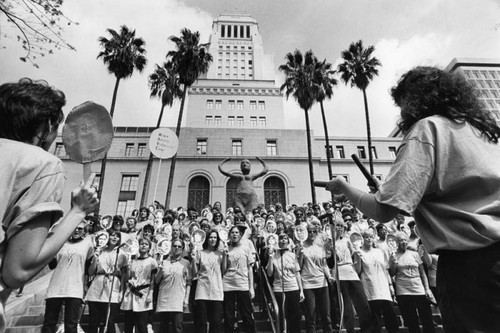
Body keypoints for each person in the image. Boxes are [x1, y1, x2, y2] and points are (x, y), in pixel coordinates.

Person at [324, 66, 500, 333]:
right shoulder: (483, 132)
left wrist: (345, 188)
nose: (403, 112)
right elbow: (446, 200)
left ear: (418, 98)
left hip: (470, 269)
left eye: (403, 103)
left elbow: (383, 212)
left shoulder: (427, 129)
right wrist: (391, 191)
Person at [0, 78, 99, 330]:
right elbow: (18, 271)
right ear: (45, 126)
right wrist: (77, 212)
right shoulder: (42, 163)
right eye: (57, 128)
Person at [42, 221, 94, 333]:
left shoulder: (88, 244)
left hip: (74, 289)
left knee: (71, 325)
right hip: (56, 288)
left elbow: (89, 269)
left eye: (80, 229)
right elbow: (52, 265)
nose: (76, 230)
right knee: (49, 324)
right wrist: (49, 249)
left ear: (84, 231)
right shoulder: (61, 244)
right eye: (74, 228)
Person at [389, 232, 434, 333]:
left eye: (405, 240)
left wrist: (427, 288)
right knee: (412, 320)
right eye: (401, 240)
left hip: (418, 288)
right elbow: (392, 273)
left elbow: (422, 273)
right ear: (397, 242)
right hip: (403, 290)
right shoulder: (394, 255)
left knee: (427, 318)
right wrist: (393, 262)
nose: (403, 242)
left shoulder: (414, 254)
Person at [357, 229, 399, 333]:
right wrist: (357, 258)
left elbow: (389, 271)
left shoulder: (380, 252)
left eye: (371, 236)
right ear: (362, 239)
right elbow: (358, 271)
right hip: (370, 291)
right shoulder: (359, 252)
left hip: (384, 291)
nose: (369, 239)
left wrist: (393, 261)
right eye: (366, 237)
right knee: (375, 325)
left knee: (392, 322)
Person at [86, 230, 128, 333]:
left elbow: (124, 276)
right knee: (93, 321)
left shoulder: (123, 254)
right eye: (112, 235)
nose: (114, 237)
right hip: (97, 286)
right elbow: (91, 272)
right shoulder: (100, 250)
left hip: (113, 287)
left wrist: (122, 291)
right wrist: (95, 258)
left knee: (109, 322)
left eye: (117, 236)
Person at [298, 220, 333, 333]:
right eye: (310, 231)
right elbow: (298, 267)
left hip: (322, 282)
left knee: (326, 315)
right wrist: (300, 255)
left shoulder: (320, 247)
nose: (312, 233)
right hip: (308, 283)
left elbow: (324, 265)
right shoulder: (302, 246)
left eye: (314, 231)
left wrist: (329, 276)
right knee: (311, 316)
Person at [266, 233, 304, 333]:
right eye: (281, 239)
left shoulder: (292, 255)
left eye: (285, 239)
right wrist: (270, 257)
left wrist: (301, 291)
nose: (283, 240)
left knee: (295, 316)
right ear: (278, 242)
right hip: (279, 288)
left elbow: (297, 273)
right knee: (282, 315)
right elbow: (269, 273)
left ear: (288, 241)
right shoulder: (274, 255)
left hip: (293, 287)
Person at [191, 230, 227, 333]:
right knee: (201, 322)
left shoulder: (220, 254)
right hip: (202, 291)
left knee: (216, 322)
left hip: (216, 291)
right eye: (211, 237)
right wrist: (193, 260)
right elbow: (195, 273)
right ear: (207, 239)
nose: (213, 239)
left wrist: (225, 256)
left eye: (215, 237)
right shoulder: (200, 253)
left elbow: (223, 271)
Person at [223, 225, 256, 333]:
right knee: (229, 316)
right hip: (228, 284)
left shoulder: (246, 248)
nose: (235, 234)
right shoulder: (226, 248)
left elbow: (250, 269)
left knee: (247, 314)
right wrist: (224, 255)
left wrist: (251, 287)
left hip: (242, 284)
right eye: (232, 232)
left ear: (241, 235)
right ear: (229, 235)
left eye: (237, 233)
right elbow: (223, 269)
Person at [121, 237, 158, 333]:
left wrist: (150, 294)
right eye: (142, 244)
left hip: (143, 294)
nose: (144, 245)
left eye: (146, 244)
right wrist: (128, 268)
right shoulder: (133, 261)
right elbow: (128, 278)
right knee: (128, 324)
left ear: (149, 247)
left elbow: (153, 280)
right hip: (131, 294)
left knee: (142, 324)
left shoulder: (152, 261)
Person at [156, 239, 192, 333]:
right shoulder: (164, 262)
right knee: (163, 328)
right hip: (164, 300)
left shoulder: (186, 263)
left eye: (179, 246)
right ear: (171, 248)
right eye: (174, 246)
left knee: (177, 327)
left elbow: (188, 282)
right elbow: (156, 280)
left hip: (178, 300)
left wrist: (186, 299)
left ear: (183, 249)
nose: (177, 248)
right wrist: (160, 269)